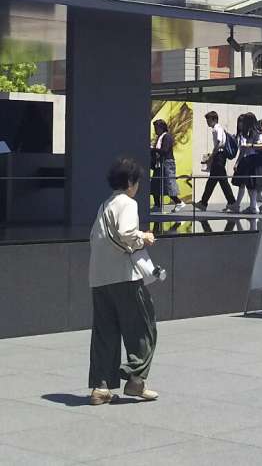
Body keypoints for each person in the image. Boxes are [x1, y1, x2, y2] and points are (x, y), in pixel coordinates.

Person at [88, 157, 158, 405]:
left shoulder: (104, 205)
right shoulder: (127, 203)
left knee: (104, 333)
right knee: (144, 329)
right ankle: (135, 379)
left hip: (99, 278)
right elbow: (127, 233)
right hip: (125, 277)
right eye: (136, 181)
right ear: (130, 182)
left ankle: (100, 387)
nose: (137, 186)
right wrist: (144, 237)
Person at [194, 111, 236, 233]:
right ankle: (205, 202)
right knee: (214, 181)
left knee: (220, 181)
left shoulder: (217, 129)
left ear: (214, 119)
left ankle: (231, 202)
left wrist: (211, 157)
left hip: (219, 156)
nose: (207, 122)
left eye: (208, 120)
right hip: (220, 157)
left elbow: (218, 143)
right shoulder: (218, 129)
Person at [150, 119, 185, 232]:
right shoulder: (159, 138)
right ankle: (157, 205)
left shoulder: (167, 137)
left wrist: (153, 149)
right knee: (155, 183)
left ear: (161, 128)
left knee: (168, 184)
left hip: (167, 163)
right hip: (160, 164)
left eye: (156, 127)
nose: (155, 130)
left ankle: (179, 202)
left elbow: (164, 150)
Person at [234, 113, 262, 229]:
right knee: (251, 186)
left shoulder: (256, 133)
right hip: (250, 161)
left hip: (254, 161)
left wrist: (250, 145)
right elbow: (243, 150)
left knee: (254, 187)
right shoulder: (248, 133)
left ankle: (257, 207)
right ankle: (254, 207)